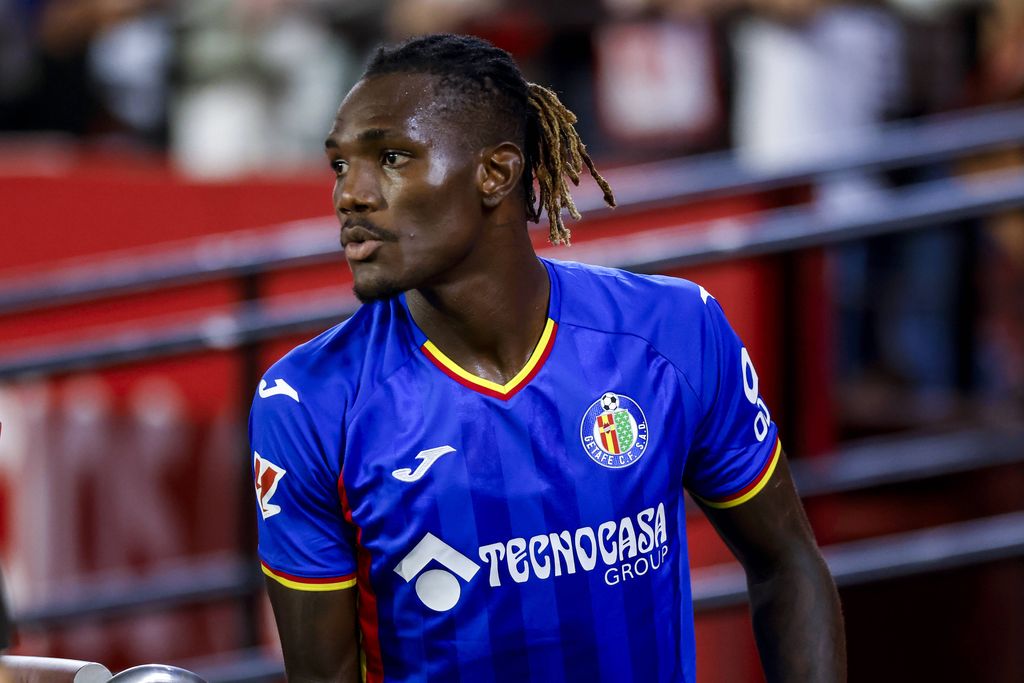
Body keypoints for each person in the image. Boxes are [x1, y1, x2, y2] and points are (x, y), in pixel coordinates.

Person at [249, 33, 845, 683]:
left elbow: (788, 562)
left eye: (391, 157)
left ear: (496, 173)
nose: (350, 195)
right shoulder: (308, 404)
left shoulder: (671, 331)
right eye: (340, 165)